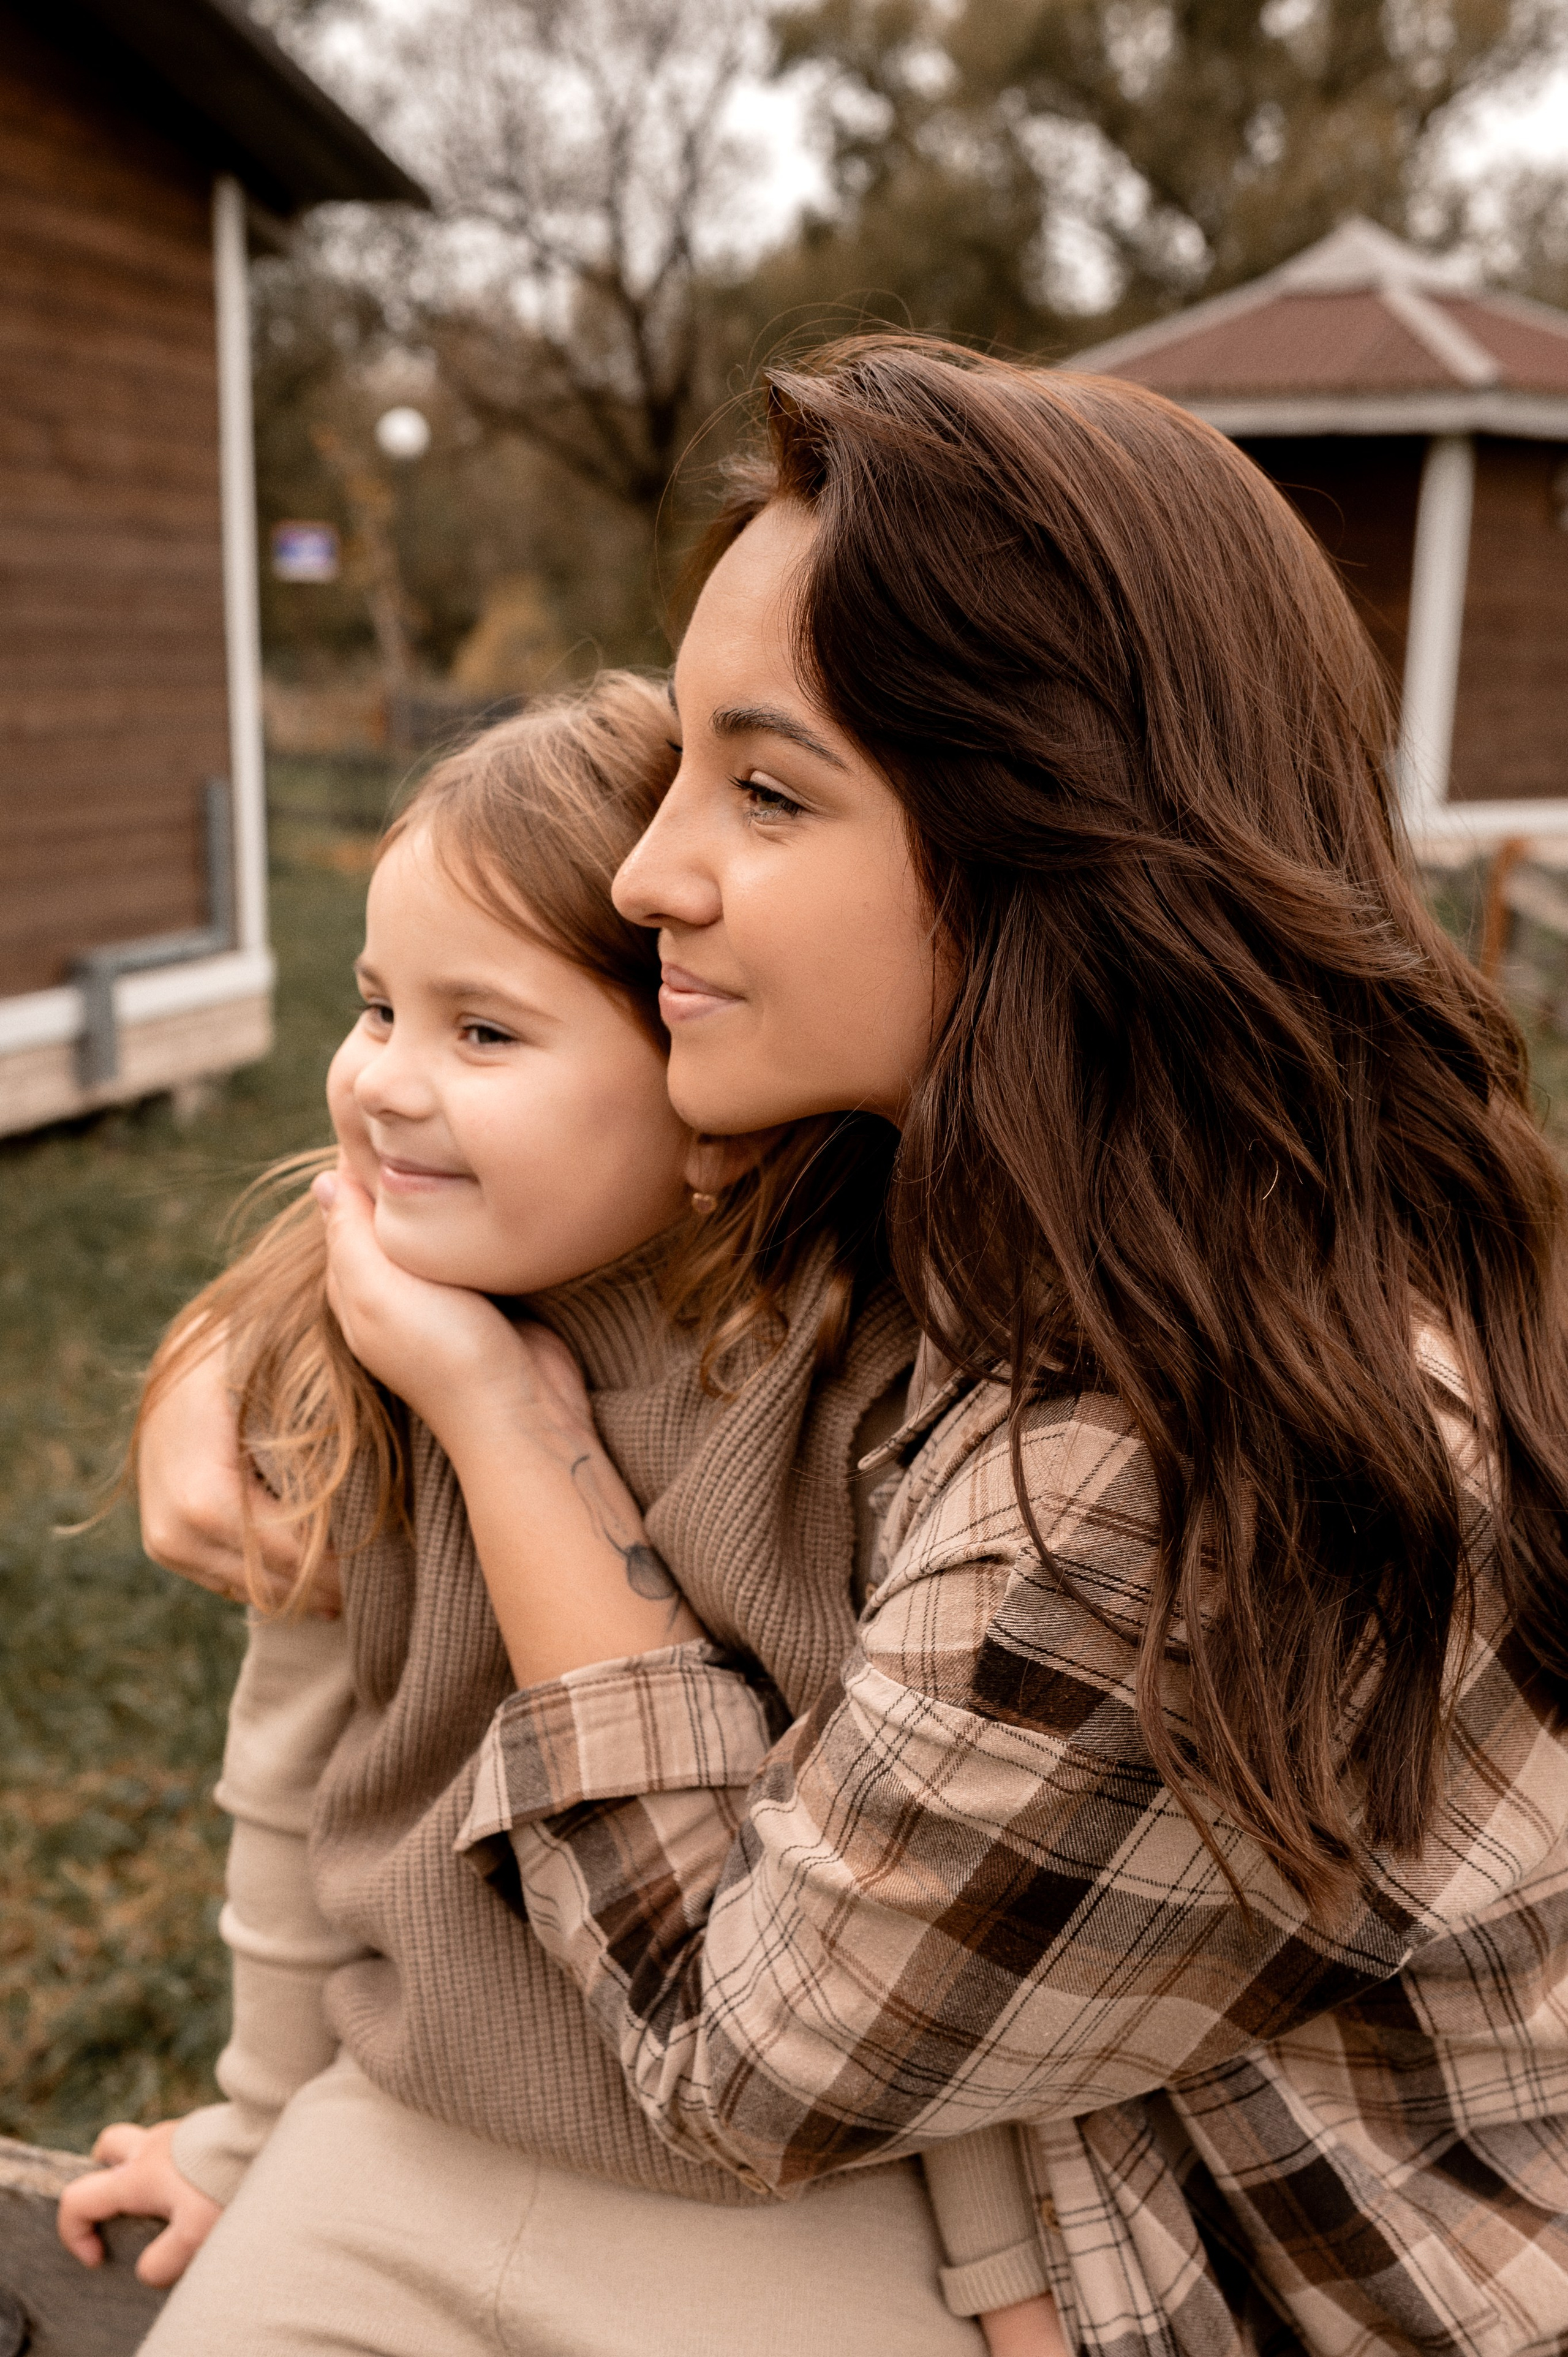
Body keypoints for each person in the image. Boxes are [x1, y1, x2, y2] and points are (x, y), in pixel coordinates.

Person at [296, 338, 1568, 2354]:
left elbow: (741, 2057)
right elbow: (538, 1179)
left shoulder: (1173, 1485)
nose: (645, 875)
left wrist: (502, 1430)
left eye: (768, 789)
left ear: (1058, 836)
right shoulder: (1116, 1207)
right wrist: (273, 1334)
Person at [59, 673, 1060, 2355]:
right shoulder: (356, 1340)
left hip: (788, 2206)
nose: (383, 1083)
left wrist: (1004, 2286)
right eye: (376, 1007)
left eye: (485, 1033)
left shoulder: (854, 1394)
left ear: (705, 1083)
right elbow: (290, 1783)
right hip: (402, 2133)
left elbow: (920, 1901)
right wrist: (250, 2127)